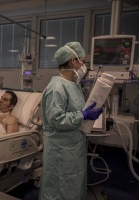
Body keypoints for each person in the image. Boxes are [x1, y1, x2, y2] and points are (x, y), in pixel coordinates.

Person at [39, 42, 103, 200]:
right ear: (74, 61)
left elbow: (74, 111)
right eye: (83, 60)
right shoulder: (57, 88)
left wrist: (87, 113)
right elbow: (56, 119)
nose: (84, 65)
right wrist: (83, 115)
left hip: (73, 146)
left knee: (73, 184)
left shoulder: (73, 85)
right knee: (60, 186)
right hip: (60, 150)